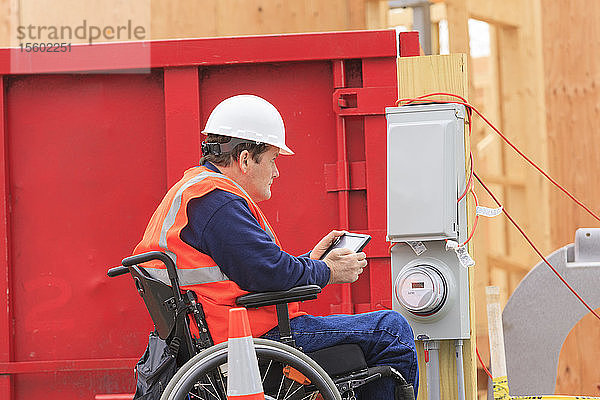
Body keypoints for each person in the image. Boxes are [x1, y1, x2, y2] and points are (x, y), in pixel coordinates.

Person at [133, 94, 418, 399]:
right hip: (251, 339)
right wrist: (328, 271)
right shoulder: (219, 203)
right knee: (391, 331)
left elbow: (249, 271)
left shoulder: (194, 192)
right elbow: (267, 273)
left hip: (219, 336)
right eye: (272, 160)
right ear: (245, 159)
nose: (276, 172)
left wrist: (312, 260)